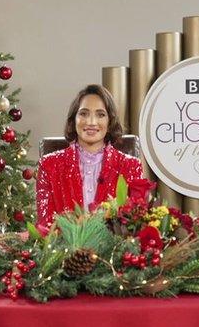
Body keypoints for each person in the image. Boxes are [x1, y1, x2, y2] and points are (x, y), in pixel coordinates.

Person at [35, 84, 143, 227]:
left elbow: (135, 225)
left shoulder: (131, 166)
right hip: (64, 247)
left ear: (110, 121)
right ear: (74, 120)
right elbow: (45, 227)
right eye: (84, 113)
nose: (91, 122)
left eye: (100, 115)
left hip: (114, 248)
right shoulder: (49, 165)